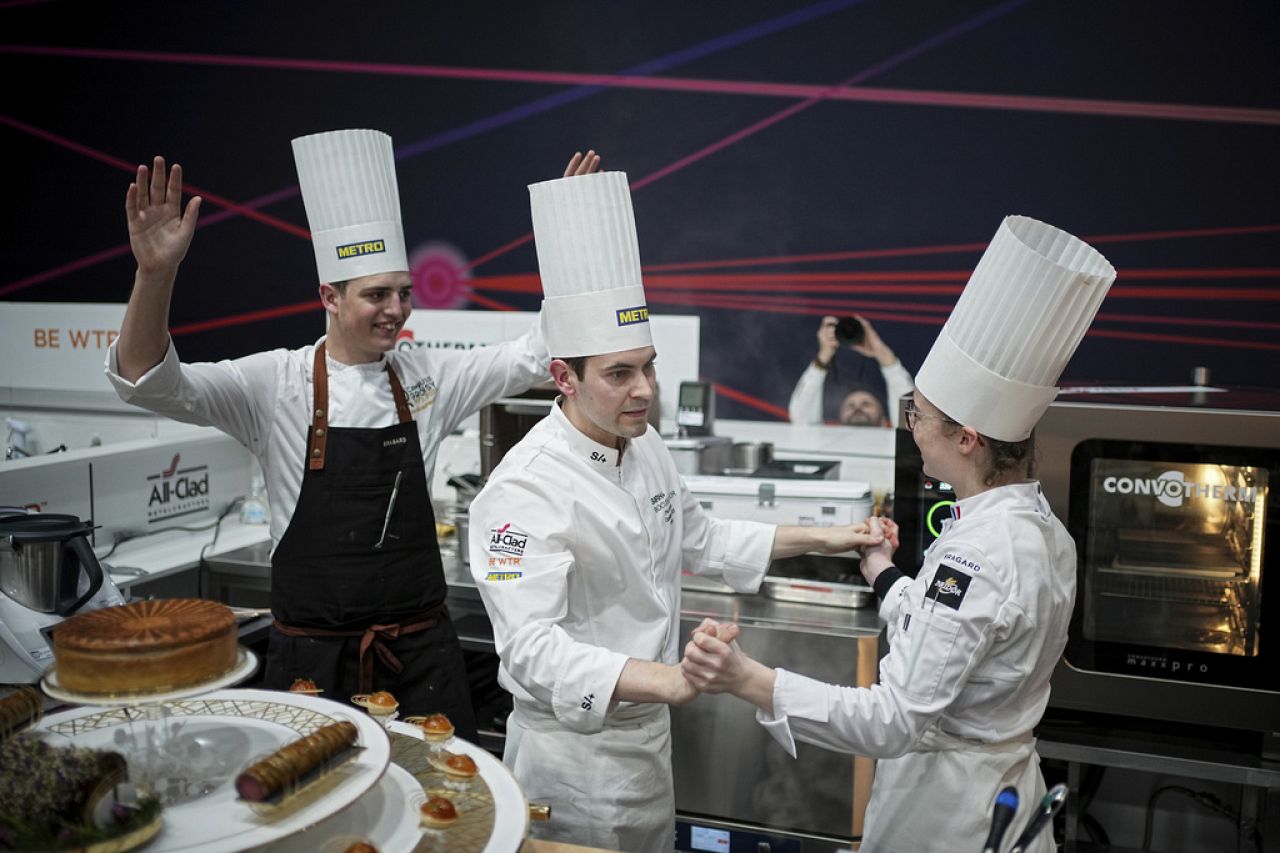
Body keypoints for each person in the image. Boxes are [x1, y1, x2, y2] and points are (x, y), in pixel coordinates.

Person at [106, 130, 599, 736]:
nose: (395, 309)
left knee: (443, 815)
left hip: (421, 660)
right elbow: (148, 382)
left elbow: (535, 354)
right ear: (329, 297)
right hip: (313, 668)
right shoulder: (274, 384)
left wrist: (571, 243)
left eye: (404, 293)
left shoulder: (427, 377)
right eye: (376, 295)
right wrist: (155, 274)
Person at [467, 170, 884, 853]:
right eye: (619, 373)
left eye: (649, 367)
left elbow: (705, 535)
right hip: (573, 759)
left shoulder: (644, 441)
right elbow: (532, 650)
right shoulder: (525, 487)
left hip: (647, 746)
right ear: (564, 377)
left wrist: (833, 536)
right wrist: (675, 679)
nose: (646, 391)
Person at [682, 215, 1117, 853]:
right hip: (1005, 784)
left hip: (951, 815)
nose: (910, 425)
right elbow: (957, 632)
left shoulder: (975, 553)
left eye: (920, 415)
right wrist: (883, 572)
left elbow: (894, 721)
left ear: (967, 439)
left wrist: (748, 678)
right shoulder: (1043, 529)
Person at [787, 314, 913, 427]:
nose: (857, 409)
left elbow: (910, 414)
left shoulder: (901, 445)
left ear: (884, 421)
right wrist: (824, 356)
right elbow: (801, 418)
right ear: (839, 420)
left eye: (866, 404)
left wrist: (881, 352)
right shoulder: (820, 443)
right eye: (850, 406)